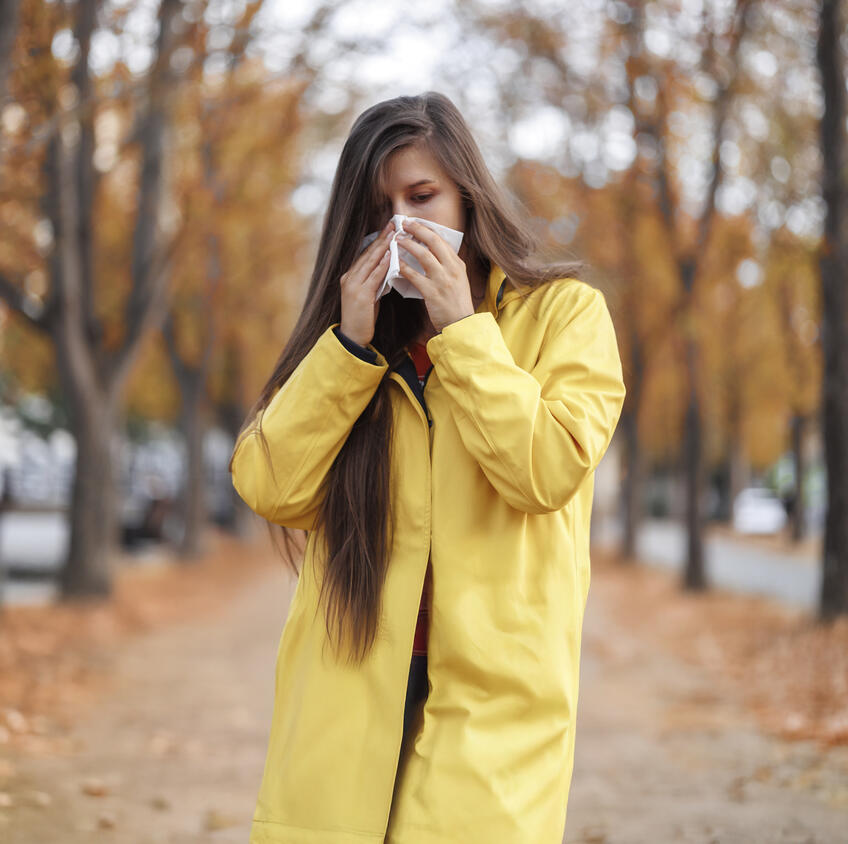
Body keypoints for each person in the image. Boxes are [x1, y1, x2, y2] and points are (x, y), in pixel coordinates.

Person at [229, 91, 626, 844]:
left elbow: (546, 469)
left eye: (422, 197)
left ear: (468, 197)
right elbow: (268, 486)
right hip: (347, 693)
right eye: (380, 210)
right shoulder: (353, 340)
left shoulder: (565, 315)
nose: (402, 227)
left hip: (492, 700)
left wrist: (465, 331)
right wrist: (347, 349)